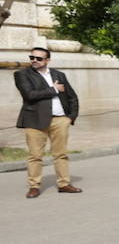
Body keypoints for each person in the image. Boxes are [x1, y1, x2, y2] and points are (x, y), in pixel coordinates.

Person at [14, 47, 81, 198]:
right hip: (35, 120)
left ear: (47, 60)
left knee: (61, 154)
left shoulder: (59, 74)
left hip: (60, 120)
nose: (34, 61)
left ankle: (64, 184)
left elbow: (72, 97)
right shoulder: (22, 74)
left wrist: (70, 117)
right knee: (35, 155)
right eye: (32, 57)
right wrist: (54, 89)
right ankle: (34, 186)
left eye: (38, 58)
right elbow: (29, 95)